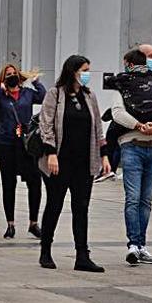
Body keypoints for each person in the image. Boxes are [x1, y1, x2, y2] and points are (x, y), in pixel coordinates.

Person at [37, 55, 109, 272]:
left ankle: (82, 255)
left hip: (84, 162)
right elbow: (46, 124)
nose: (87, 74)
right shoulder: (55, 94)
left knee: (81, 208)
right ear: (73, 71)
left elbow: (98, 127)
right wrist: (51, 153)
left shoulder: (90, 96)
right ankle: (46, 250)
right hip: (59, 161)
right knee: (55, 205)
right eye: (84, 70)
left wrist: (104, 155)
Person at [110, 44, 152, 265]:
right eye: (149, 56)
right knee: (133, 198)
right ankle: (133, 245)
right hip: (132, 145)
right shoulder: (124, 83)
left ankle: (142, 245)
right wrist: (138, 125)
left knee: (146, 200)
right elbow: (117, 113)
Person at [0, 63, 46, 239]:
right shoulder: (1, 97)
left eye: (14, 74)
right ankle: (10, 223)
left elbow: (43, 97)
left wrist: (36, 82)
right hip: (5, 143)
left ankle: (33, 223)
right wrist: (0, 90)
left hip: (26, 144)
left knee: (34, 181)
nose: (12, 76)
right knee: (8, 183)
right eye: (8, 75)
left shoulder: (27, 93)